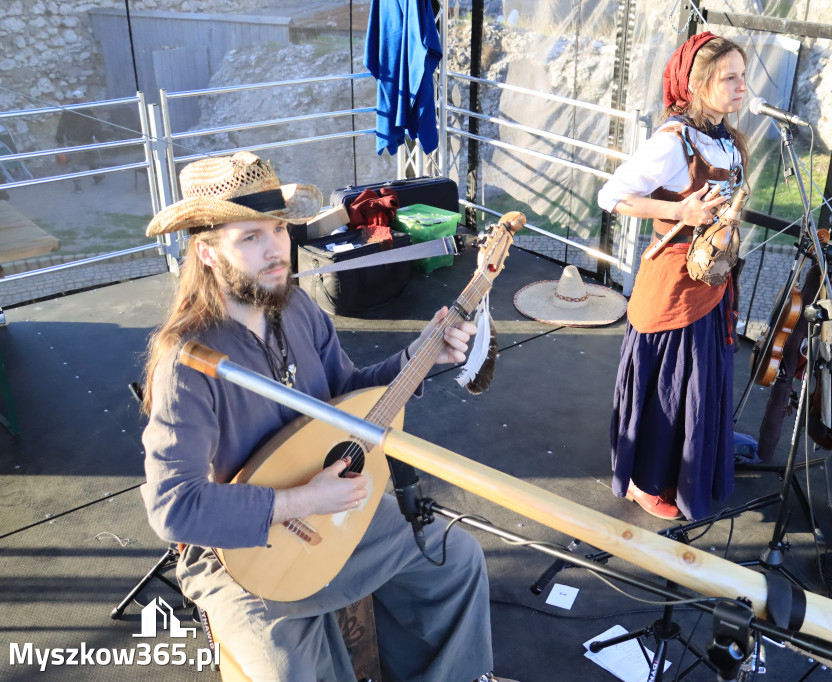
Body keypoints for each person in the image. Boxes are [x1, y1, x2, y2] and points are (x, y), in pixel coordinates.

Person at [139, 151, 511, 682]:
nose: (276, 250)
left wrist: (425, 356)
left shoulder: (295, 308)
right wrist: (304, 500)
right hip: (239, 553)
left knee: (455, 561)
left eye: (278, 229)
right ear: (207, 252)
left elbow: (346, 394)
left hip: (331, 510)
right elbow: (173, 507)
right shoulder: (188, 360)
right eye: (250, 237)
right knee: (289, 671)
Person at [597, 32, 747, 521]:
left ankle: (694, 464)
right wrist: (679, 207)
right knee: (669, 383)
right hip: (672, 287)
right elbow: (611, 195)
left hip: (713, 282)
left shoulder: (727, 139)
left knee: (702, 383)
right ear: (699, 84)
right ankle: (647, 480)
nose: (741, 86)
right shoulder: (672, 142)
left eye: (743, 76)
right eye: (730, 78)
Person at [55, 97, 105, 194]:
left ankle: (82, 185)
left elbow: (60, 127)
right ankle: (96, 177)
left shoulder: (67, 112)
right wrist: (101, 138)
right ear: (81, 100)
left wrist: (59, 139)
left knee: (77, 164)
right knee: (92, 159)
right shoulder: (86, 111)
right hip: (84, 141)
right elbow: (96, 126)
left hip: (73, 141)